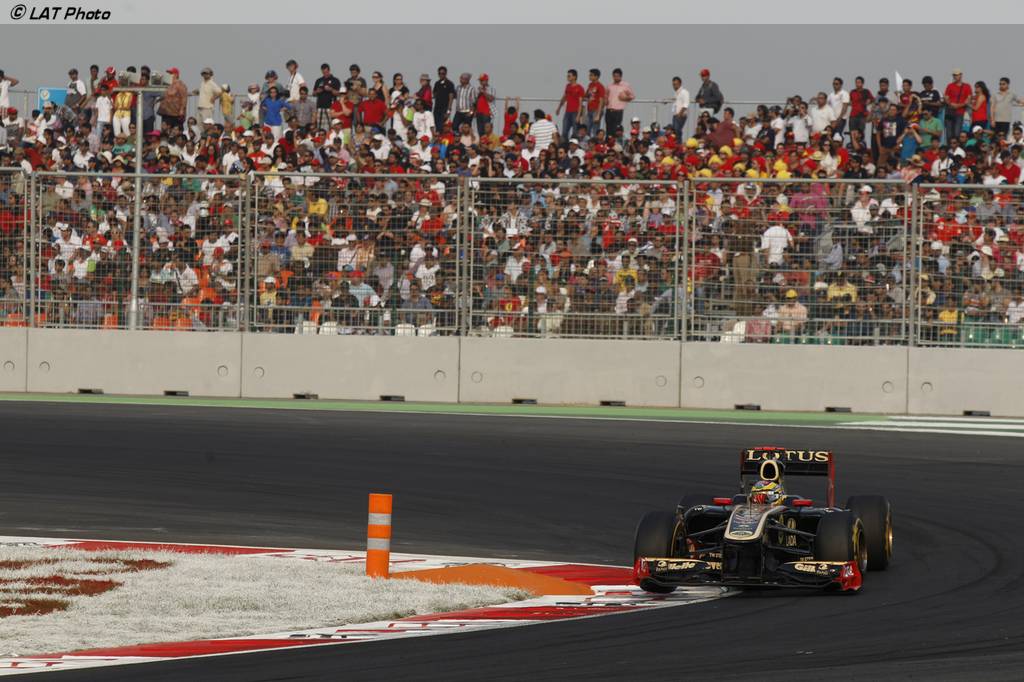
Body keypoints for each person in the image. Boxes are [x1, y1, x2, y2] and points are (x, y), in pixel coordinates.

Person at [604, 67, 635, 139]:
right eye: (614, 76)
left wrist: (625, 98)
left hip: (618, 111)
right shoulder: (609, 86)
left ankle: (616, 142)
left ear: (621, 76)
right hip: (609, 110)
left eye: (617, 76)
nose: (615, 78)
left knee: (616, 130)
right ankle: (608, 143)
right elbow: (606, 95)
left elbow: (632, 96)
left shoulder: (625, 85)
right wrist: (606, 100)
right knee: (608, 129)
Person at [943, 69, 971, 144]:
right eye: (954, 75)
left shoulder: (967, 86)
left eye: (957, 75)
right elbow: (946, 98)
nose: (956, 76)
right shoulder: (950, 86)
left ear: (961, 75)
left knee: (957, 133)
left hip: (960, 113)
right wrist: (951, 104)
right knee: (949, 134)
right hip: (950, 112)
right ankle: (949, 148)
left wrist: (957, 106)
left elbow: (968, 100)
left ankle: (957, 147)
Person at [556, 69, 585, 140]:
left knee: (575, 132)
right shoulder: (568, 86)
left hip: (575, 112)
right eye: (567, 76)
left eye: (569, 76)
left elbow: (580, 103)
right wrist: (559, 108)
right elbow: (564, 97)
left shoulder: (580, 88)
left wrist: (578, 115)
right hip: (567, 112)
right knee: (564, 131)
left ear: (574, 77)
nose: (568, 77)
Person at [193, 67, 222, 133]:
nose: (205, 75)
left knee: (207, 125)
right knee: (199, 125)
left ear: (210, 74)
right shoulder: (202, 83)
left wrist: (214, 98)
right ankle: (201, 138)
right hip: (200, 107)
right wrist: (196, 91)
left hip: (207, 108)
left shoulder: (212, 83)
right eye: (203, 73)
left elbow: (220, 92)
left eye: (206, 73)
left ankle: (207, 137)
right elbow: (202, 91)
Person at [157, 67, 187, 131]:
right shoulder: (166, 84)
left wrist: (182, 110)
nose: (169, 75)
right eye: (168, 73)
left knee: (175, 131)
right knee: (164, 130)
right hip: (165, 112)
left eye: (171, 73)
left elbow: (184, 97)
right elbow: (164, 95)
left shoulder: (180, 84)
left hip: (175, 113)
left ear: (176, 75)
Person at [313, 63, 341, 130]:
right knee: (319, 127)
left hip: (331, 107)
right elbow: (313, 93)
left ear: (329, 70)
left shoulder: (335, 80)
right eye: (323, 72)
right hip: (320, 107)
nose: (325, 73)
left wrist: (331, 89)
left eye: (326, 72)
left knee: (332, 126)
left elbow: (339, 93)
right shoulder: (319, 80)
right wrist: (317, 91)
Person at [432, 66, 455, 133]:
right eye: (440, 73)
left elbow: (451, 97)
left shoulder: (449, 83)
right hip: (437, 108)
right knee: (437, 125)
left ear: (446, 74)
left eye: (443, 73)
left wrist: (448, 110)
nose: (441, 75)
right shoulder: (437, 83)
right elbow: (434, 94)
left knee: (443, 126)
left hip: (445, 108)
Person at [584, 68, 605, 136]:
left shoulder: (600, 86)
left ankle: (595, 141)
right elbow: (586, 95)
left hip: (596, 110)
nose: (589, 76)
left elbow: (601, 100)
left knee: (595, 129)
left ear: (596, 76)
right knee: (587, 128)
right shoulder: (590, 85)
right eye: (589, 75)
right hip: (589, 109)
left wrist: (598, 114)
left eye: (591, 75)